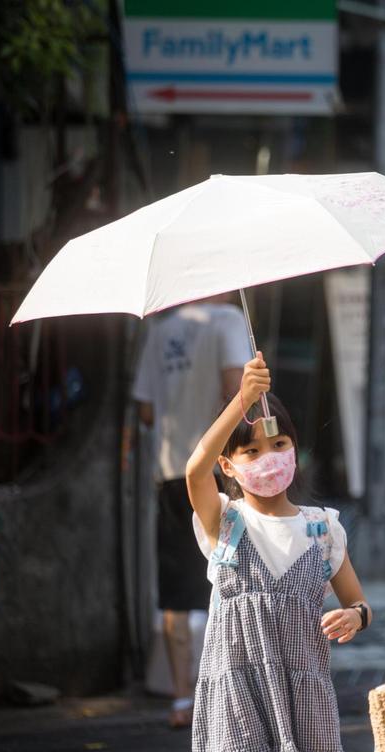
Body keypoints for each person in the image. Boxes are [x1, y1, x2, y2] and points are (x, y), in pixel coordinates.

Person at [185, 353, 369, 752]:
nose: (269, 458)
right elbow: (194, 470)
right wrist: (242, 400)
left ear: (296, 449)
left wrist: (356, 618)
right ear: (228, 466)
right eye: (251, 451)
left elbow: (358, 602)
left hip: (303, 694)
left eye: (280, 445)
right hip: (237, 692)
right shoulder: (224, 522)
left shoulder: (323, 528)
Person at [132, 296, 250, 727]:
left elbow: (145, 409)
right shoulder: (228, 320)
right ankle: (230, 694)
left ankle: (183, 698)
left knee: (177, 589)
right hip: (221, 470)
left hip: (171, 472)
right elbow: (238, 390)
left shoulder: (159, 331)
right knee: (233, 575)